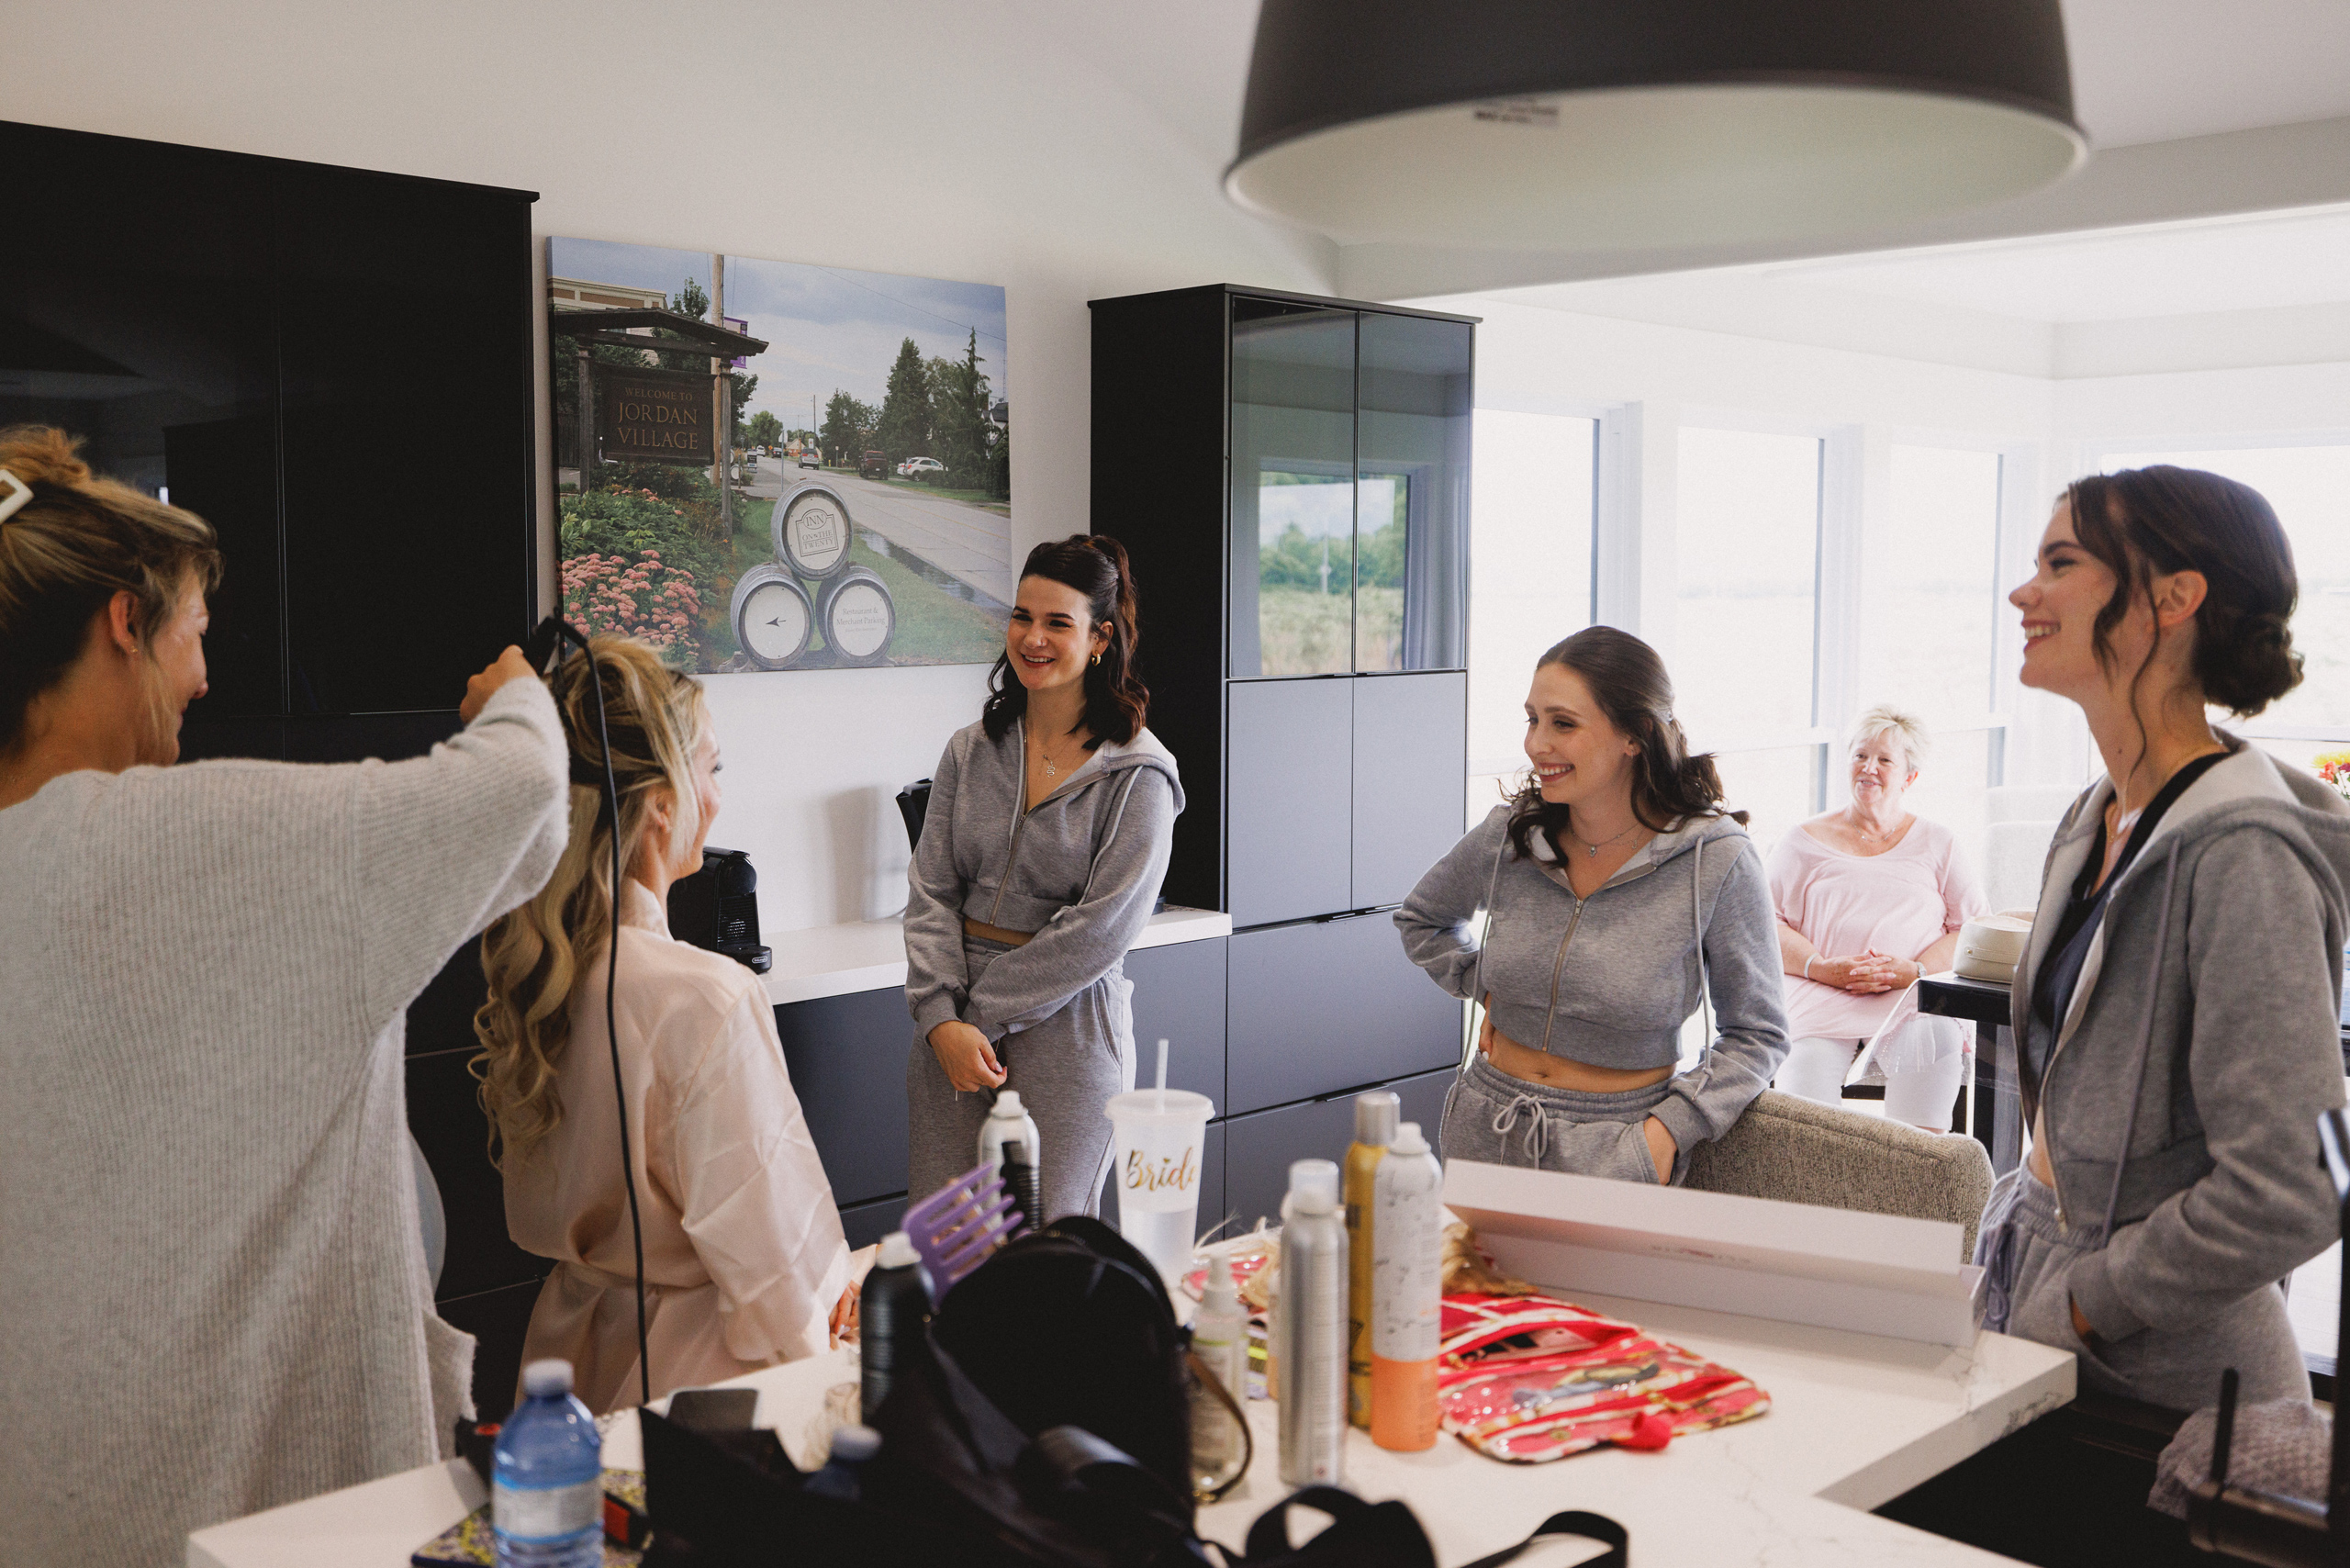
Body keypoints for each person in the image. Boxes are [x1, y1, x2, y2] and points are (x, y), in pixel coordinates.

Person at [0, 426, 569, 1565]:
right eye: (194, 635)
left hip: (47, 1498)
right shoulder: (217, 844)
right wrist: (518, 696)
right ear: (125, 621)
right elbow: (521, 796)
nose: (205, 679)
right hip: (280, 1515)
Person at [1979, 465, 2349, 1409]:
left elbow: (2292, 1186)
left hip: (2167, 1383)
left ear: (2175, 597)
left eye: (2060, 561)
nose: (2024, 591)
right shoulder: (2096, 813)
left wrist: (2089, 1302)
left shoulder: (2241, 853)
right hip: (2037, 1291)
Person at [476, 635, 856, 1415]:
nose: (718, 797)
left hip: (562, 1374)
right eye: (711, 770)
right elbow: (778, 1284)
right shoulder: (704, 998)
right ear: (660, 804)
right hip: (697, 1391)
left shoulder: (533, 972)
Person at [1396, 626, 1787, 1184]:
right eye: (1532, 719)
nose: (1536, 744)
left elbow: (1759, 1033)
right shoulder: (1509, 835)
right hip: (1488, 1126)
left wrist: (1669, 1130)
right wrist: (1487, 986)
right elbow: (1422, 920)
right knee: (1468, 1277)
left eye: (1563, 723)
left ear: (1635, 735)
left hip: (1620, 1147)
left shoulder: (1715, 860)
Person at [905, 534, 1181, 1220]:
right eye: (1022, 616)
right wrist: (941, 1018)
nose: (1032, 637)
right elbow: (930, 890)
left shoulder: (1139, 774)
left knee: (1047, 1249)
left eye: (1058, 622)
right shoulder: (970, 751)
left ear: (1099, 639)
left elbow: (1102, 929)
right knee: (948, 1244)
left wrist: (980, 1014)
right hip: (953, 1028)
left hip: (1068, 1028)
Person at [1770, 708, 1988, 1128]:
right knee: (1805, 1111)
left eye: (1884, 760)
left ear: (1909, 777)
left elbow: (1973, 928)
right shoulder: (1802, 840)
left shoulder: (1938, 842)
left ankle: (1912, 1181)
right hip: (1820, 993)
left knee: (1934, 1046)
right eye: (1860, 756)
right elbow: (1764, 926)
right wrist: (1823, 968)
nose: (1869, 768)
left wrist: (1916, 970)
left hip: (1912, 997)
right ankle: (1817, 1191)